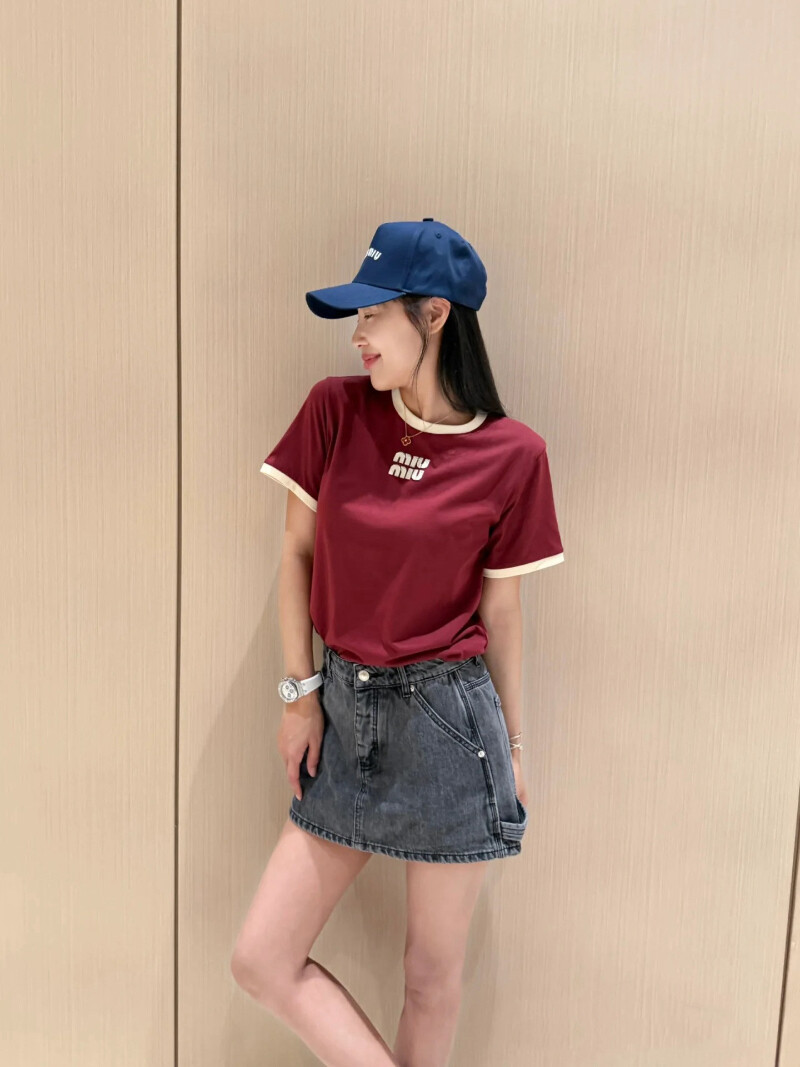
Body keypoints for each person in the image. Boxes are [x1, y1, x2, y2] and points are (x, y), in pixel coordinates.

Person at [230, 218, 565, 1066]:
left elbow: (503, 615)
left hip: (450, 723)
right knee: (262, 958)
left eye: (374, 314)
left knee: (430, 978)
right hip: (344, 714)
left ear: (435, 315)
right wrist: (299, 694)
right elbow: (297, 555)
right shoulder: (335, 410)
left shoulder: (514, 456)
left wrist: (515, 745)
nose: (359, 334)